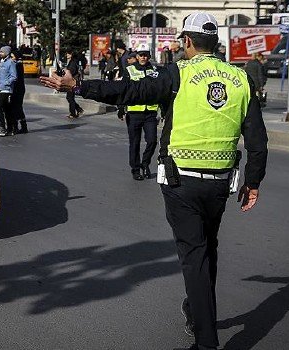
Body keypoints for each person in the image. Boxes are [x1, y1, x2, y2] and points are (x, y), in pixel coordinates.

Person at [40, 11, 268, 350]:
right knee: (208, 247)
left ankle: (206, 341)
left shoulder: (177, 73)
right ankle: (195, 310)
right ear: (215, 42)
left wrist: (77, 85)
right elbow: (257, 140)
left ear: (187, 42)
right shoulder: (241, 78)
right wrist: (253, 182)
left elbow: (127, 92)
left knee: (195, 254)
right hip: (221, 183)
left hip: (182, 183)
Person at [122, 49, 159, 181]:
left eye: (146, 56)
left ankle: (145, 163)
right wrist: (121, 107)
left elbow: (159, 89)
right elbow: (123, 89)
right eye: (141, 55)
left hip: (150, 112)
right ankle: (136, 169)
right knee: (135, 143)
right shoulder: (130, 70)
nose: (144, 58)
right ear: (137, 57)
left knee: (152, 141)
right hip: (134, 113)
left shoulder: (154, 70)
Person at [64, 49, 84, 119]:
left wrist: (66, 72)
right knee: (70, 97)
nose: (67, 55)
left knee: (70, 97)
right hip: (74, 82)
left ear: (71, 55)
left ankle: (73, 113)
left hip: (73, 82)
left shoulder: (73, 62)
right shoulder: (73, 61)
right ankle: (78, 109)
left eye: (68, 54)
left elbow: (72, 71)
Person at [11, 50, 28, 133]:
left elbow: (15, 78)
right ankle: (20, 126)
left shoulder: (17, 65)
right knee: (17, 107)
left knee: (17, 107)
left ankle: (19, 127)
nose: (11, 59)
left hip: (18, 89)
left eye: (12, 57)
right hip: (19, 88)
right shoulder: (18, 64)